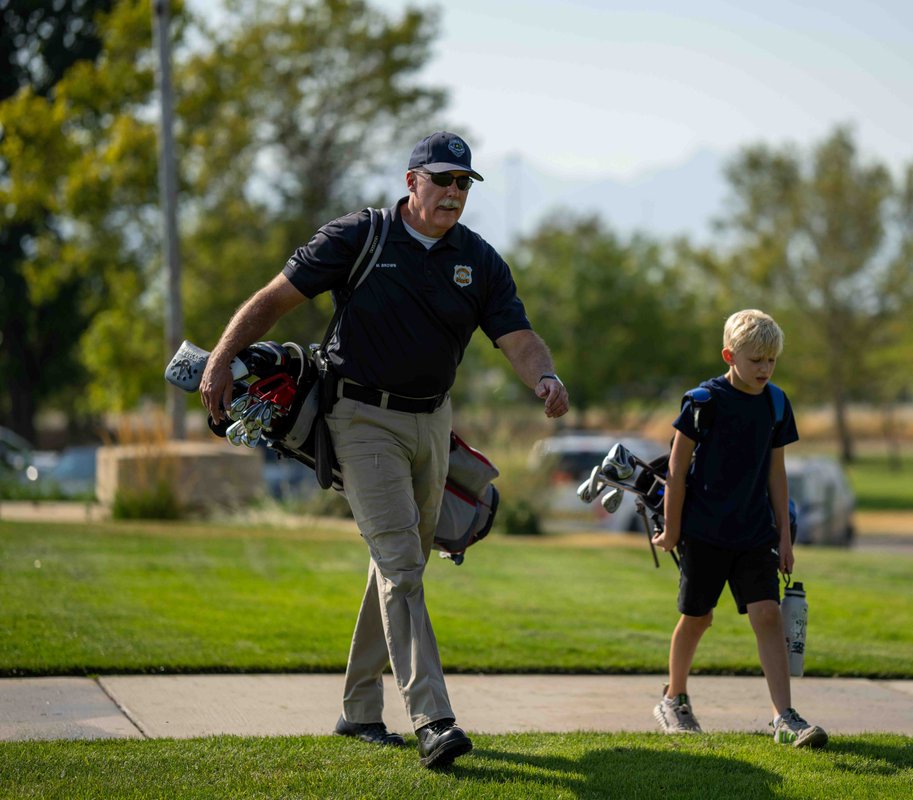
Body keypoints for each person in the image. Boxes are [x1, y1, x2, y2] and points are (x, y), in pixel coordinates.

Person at [200, 131, 569, 768]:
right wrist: (220, 358)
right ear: (411, 181)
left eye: (463, 183)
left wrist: (546, 377)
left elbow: (518, 336)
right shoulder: (358, 236)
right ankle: (433, 719)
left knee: (401, 564)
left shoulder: (479, 260)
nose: (453, 192)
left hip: (434, 423)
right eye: (442, 179)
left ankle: (359, 711)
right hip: (360, 418)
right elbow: (274, 299)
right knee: (401, 562)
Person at [650, 309, 826, 749]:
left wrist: (785, 536)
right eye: (756, 360)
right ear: (730, 356)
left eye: (772, 360)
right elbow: (676, 469)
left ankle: (784, 717)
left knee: (768, 614)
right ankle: (674, 699)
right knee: (698, 618)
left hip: (755, 531)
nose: (765, 369)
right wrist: (671, 529)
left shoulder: (776, 403)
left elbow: (777, 473)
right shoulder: (702, 403)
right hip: (704, 531)